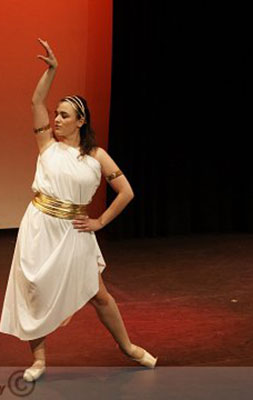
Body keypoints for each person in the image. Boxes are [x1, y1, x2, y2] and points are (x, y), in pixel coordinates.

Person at [0, 39, 157, 382]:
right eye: (56, 114)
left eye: (64, 115)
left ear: (81, 121)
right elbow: (35, 102)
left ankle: (129, 347)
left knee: (98, 295)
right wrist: (52, 70)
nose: (56, 119)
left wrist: (100, 221)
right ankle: (39, 360)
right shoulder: (47, 145)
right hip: (40, 225)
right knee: (33, 290)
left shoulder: (96, 156)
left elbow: (126, 192)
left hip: (73, 231)